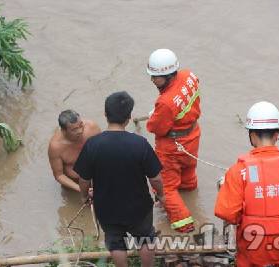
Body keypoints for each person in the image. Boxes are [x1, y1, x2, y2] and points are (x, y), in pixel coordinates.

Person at [215, 101, 279, 267]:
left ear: (252, 135)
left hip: (256, 249)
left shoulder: (238, 171)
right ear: (277, 134)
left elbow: (228, 213)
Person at [74, 91, 164, 267]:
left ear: (106, 114)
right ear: (129, 117)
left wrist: (84, 196)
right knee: (145, 238)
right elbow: (156, 178)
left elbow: (83, 179)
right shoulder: (140, 144)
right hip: (138, 206)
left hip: (107, 208)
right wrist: (161, 195)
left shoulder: (93, 145)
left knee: (115, 242)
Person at [146, 48, 200, 233]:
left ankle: (184, 225)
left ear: (169, 76)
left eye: (156, 77)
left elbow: (156, 128)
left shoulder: (165, 102)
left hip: (172, 145)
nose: (152, 80)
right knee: (188, 170)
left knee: (166, 186)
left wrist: (155, 115)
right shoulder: (189, 76)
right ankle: (188, 189)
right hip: (192, 136)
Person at [48, 110, 100, 192]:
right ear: (63, 131)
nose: (80, 131)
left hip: (95, 176)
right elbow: (59, 175)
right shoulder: (56, 147)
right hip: (74, 183)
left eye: (81, 125)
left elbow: (103, 150)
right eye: (74, 129)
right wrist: (81, 189)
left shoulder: (91, 128)